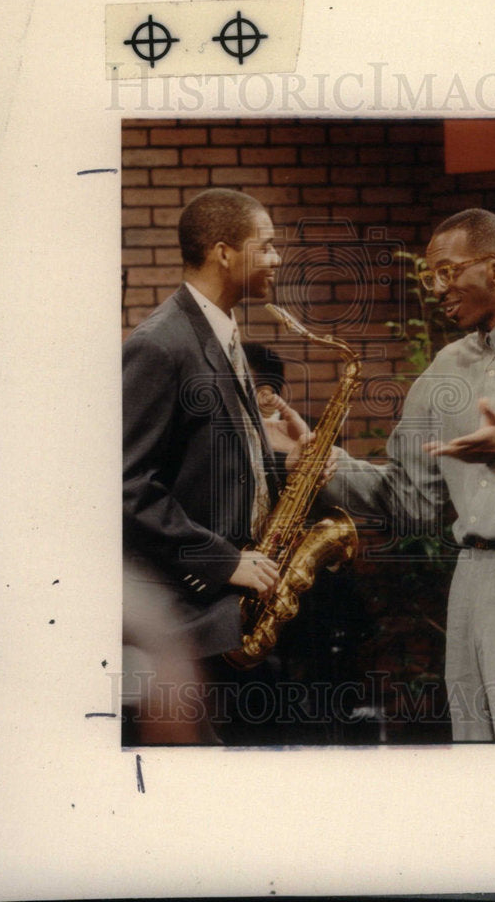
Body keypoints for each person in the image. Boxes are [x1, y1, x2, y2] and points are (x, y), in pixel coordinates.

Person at [322, 208, 495, 742]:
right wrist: (319, 462)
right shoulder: (444, 370)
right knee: (479, 755)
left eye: (448, 271)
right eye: (430, 277)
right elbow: (410, 503)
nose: (436, 289)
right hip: (472, 581)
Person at [122, 187, 332, 745]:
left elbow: (207, 462)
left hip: (223, 612)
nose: (276, 259)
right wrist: (223, 561)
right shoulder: (160, 344)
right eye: (265, 247)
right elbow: (125, 486)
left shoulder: (220, 332)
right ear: (223, 252)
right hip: (187, 613)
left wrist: (291, 466)